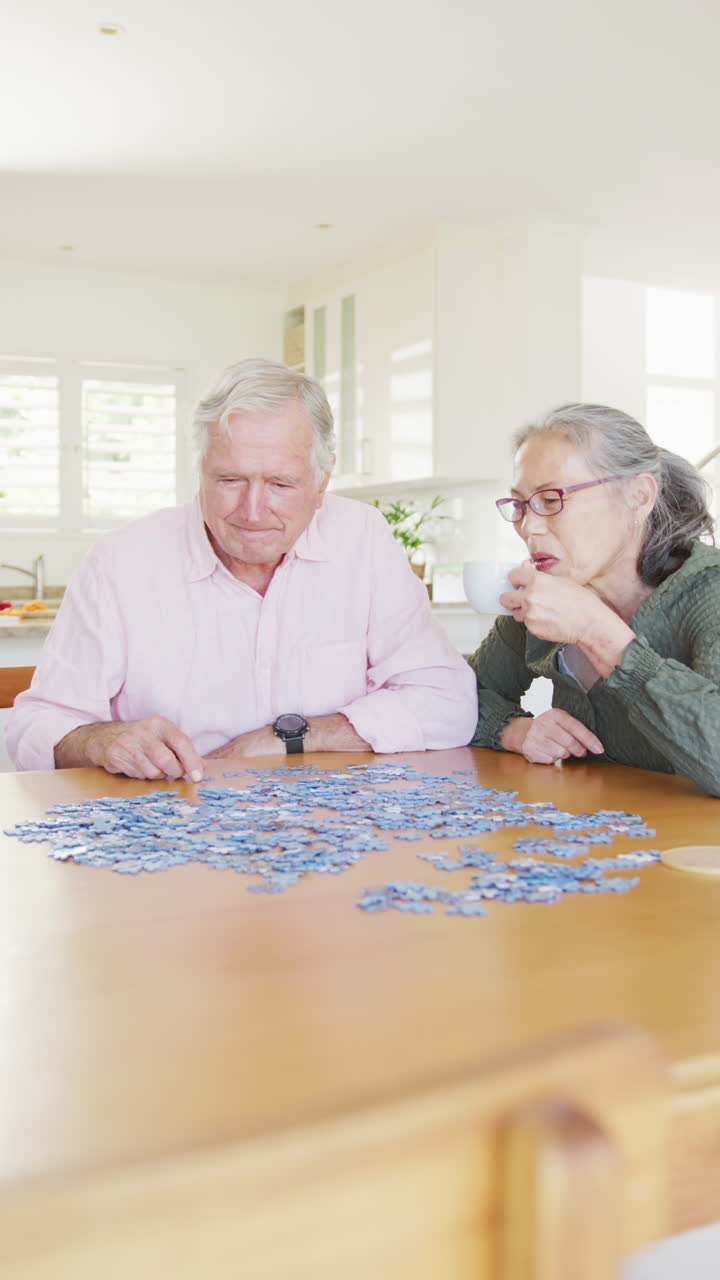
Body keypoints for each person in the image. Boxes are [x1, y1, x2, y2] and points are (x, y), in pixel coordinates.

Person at [8, 359, 476, 779]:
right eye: (229, 480)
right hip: (170, 834)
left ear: (321, 484)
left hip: (332, 831)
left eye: (280, 483)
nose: (253, 512)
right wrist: (98, 740)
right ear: (201, 471)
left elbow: (447, 701)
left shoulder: (364, 539)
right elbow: (35, 724)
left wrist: (289, 736)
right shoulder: (119, 560)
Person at [469, 402, 720, 796]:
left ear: (639, 495)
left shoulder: (710, 593)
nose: (529, 527)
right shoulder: (545, 595)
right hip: (588, 842)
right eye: (519, 505)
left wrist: (595, 630)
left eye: (551, 500)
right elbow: (453, 693)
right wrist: (514, 729)